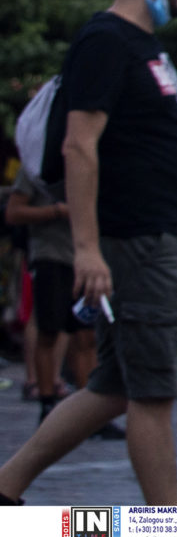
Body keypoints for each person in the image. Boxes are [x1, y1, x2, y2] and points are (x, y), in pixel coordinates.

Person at [0, 0, 177, 507]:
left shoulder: (150, 50)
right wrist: (87, 248)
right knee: (152, 395)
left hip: (153, 238)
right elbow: (80, 145)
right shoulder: (105, 40)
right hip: (136, 240)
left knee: (113, 386)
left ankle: (6, 486)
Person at [7, 158, 93, 423]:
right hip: (50, 256)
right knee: (49, 330)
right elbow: (13, 212)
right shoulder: (37, 165)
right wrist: (57, 211)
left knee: (85, 336)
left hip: (86, 259)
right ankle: (46, 404)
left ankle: (88, 411)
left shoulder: (93, 161)